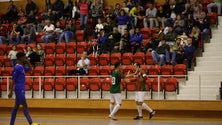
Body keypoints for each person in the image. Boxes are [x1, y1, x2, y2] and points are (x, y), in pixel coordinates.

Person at [8, 52, 39, 125]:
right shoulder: (16, 67)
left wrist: (28, 62)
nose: (25, 58)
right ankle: (31, 123)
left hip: (22, 88)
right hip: (19, 88)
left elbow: (31, 69)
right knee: (25, 105)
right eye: (24, 57)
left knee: (16, 106)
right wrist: (11, 91)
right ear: (20, 58)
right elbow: (13, 80)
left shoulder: (22, 66)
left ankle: (11, 123)